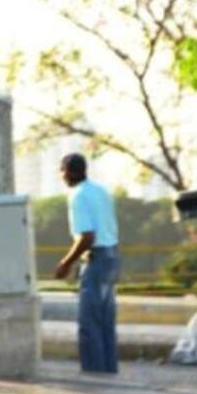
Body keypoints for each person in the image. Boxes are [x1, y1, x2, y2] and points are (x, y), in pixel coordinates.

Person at [54, 153, 120, 374]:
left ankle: (94, 373)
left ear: (69, 171)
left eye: (62, 170)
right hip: (112, 257)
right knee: (105, 322)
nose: (61, 176)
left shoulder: (78, 195)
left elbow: (87, 237)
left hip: (96, 258)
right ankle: (109, 369)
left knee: (89, 322)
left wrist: (65, 263)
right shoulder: (101, 191)